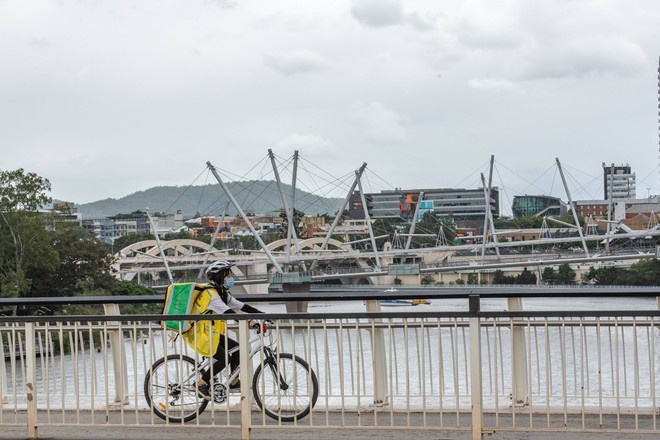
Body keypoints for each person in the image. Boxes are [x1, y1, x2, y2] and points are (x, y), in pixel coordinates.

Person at [196, 260, 263, 400]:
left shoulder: (223, 293)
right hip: (202, 334)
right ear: (220, 276)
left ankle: (233, 382)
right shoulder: (212, 295)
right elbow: (229, 313)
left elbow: (242, 306)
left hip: (212, 334)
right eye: (228, 275)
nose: (231, 278)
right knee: (224, 358)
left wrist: (264, 316)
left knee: (238, 349)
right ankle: (201, 383)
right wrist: (248, 322)